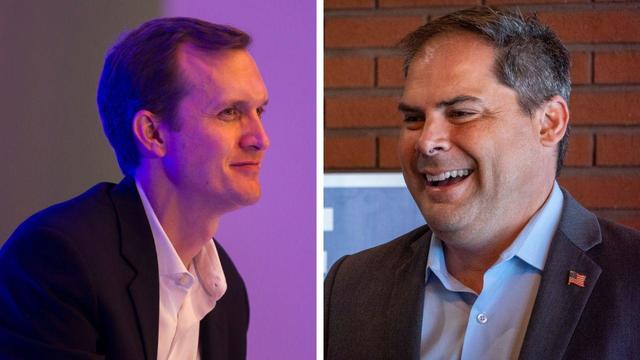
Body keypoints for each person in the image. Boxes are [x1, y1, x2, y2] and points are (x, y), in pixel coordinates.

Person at [324, 6, 640, 360]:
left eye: (461, 113)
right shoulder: (350, 288)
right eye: (414, 118)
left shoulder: (631, 277)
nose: (428, 141)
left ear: (549, 123)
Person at [0, 17, 269, 359]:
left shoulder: (227, 292)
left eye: (259, 110)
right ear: (153, 133)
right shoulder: (57, 257)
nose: (260, 139)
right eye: (229, 112)